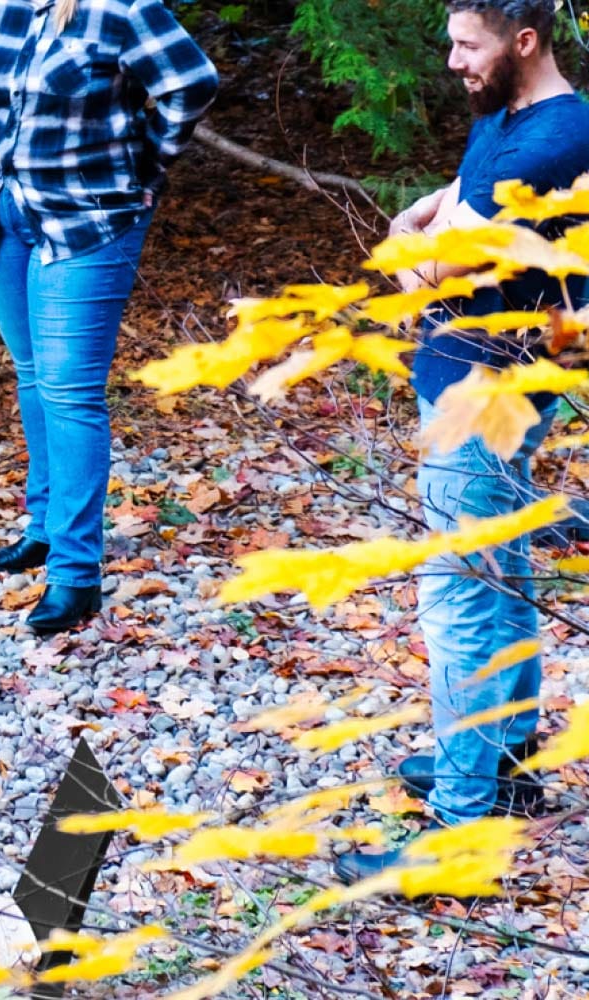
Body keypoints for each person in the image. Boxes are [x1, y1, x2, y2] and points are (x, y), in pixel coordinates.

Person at [336, 0, 589, 882]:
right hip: (472, 377)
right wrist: (430, 229)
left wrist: (411, 239)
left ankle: (459, 822)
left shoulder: (551, 140)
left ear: (525, 43)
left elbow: (423, 260)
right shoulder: (510, 120)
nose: (451, 60)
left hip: (489, 391)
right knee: (500, 562)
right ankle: (508, 764)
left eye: (466, 44)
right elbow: (445, 212)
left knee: (456, 599)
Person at [0, 0, 217, 635]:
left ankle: (75, 575)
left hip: (89, 220)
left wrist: (147, 161)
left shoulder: (121, 9)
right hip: (2, 214)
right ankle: (42, 529)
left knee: (69, 391)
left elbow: (190, 83)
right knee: (33, 374)